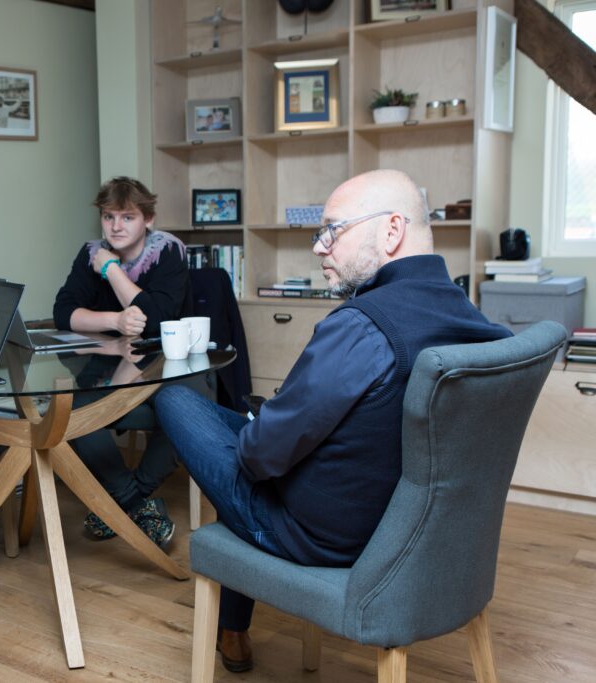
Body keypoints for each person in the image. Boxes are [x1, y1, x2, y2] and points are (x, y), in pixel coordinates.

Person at [154, 169, 512, 673]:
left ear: (391, 231)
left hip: (325, 538)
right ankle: (233, 624)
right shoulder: (476, 323)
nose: (320, 248)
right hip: (414, 532)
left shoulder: (362, 328)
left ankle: (231, 625)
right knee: (247, 424)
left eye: (333, 230)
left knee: (177, 400)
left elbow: (258, 459)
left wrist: (266, 429)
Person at [53, 176, 192, 547]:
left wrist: (111, 270)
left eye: (127, 217)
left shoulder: (168, 251)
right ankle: (136, 505)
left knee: (187, 410)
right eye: (109, 216)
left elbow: (157, 318)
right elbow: (63, 312)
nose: (115, 226)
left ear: (147, 219)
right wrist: (113, 321)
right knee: (76, 412)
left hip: (172, 365)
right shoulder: (90, 253)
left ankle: (122, 501)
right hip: (111, 365)